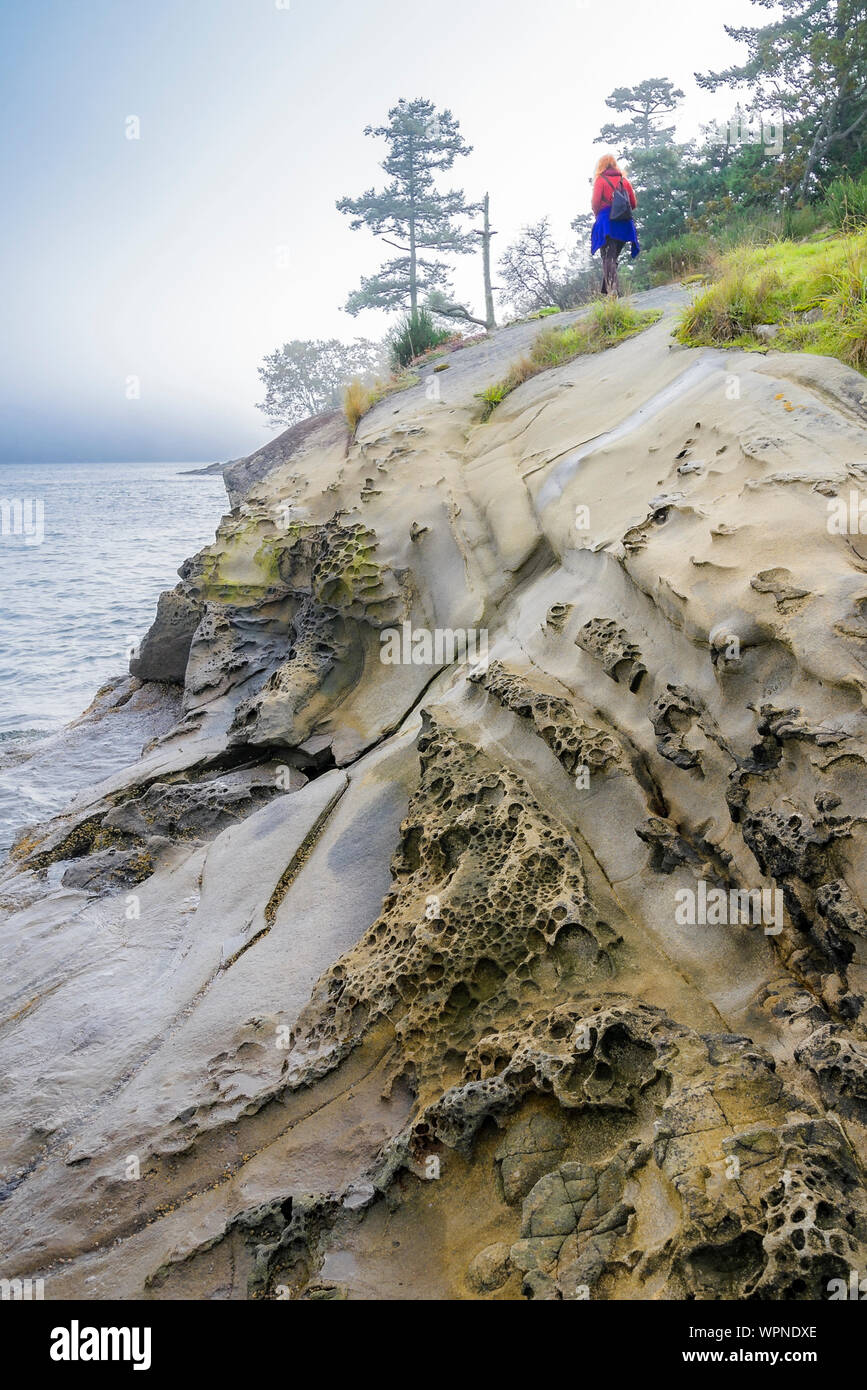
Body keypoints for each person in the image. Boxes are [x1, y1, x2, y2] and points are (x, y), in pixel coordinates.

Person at [590, 153, 640, 297]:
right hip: (624, 225)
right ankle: (608, 289)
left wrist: (599, 215)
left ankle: (612, 290)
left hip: (607, 223)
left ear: (601, 165)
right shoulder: (624, 180)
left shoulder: (600, 180)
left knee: (608, 256)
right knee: (612, 256)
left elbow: (595, 203)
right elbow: (633, 203)